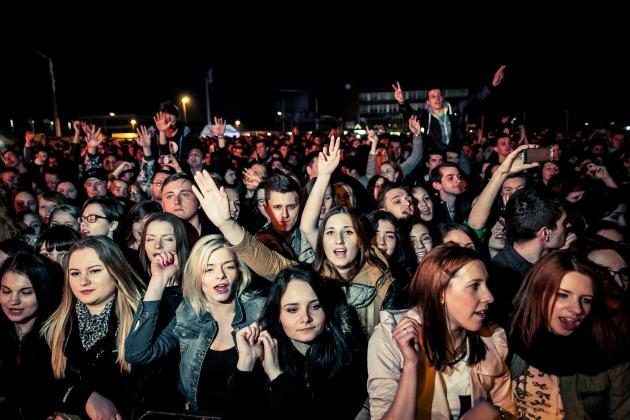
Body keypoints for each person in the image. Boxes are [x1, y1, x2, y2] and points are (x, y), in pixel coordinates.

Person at [368, 243, 516, 419]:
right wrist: (410, 365)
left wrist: (493, 413)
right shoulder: (391, 337)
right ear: (441, 291)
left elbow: (507, 410)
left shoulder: (491, 338)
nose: (489, 297)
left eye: (487, 285)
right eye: (475, 286)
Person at [125, 234, 265, 416]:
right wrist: (157, 281)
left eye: (229, 267)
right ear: (196, 275)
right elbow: (137, 354)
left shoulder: (260, 311)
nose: (220, 276)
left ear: (239, 271)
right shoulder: (188, 315)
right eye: (209, 269)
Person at [228, 266, 368, 419]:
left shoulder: (348, 354)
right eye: (292, 310)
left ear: (326, 310)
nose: (306, 318)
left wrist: (276, 375)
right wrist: (246, 362)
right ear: (278, 315)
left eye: (315, 306)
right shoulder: (264, 351)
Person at [508, 251, 630, 419]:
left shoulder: (610, 353)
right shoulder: (506, 340)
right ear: (537, 292)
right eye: (563, 295)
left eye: (586, 300)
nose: (577, 309)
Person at [41, 236, 144, 419]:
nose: (84, 281)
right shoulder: (55, 324)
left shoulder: (141, 320)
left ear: (116, 271)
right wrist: (83, 397)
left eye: (94, 271)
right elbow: (37, 387)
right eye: (75, 273)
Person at [0, 254, 63, 419]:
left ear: (43, 291)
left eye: (26, 292)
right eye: (6, 291)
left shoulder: (59, 336)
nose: (13, 300)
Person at [393, 65, 506, 152]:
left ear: (443, 97)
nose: (437, 99)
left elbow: (476, 99)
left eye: (439, 95)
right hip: (436, 155)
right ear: (428, 102)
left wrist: (492, 85)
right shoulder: (425, 117)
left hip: (456, 153)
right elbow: (410, 116)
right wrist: (402, 102)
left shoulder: (457, 109)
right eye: (433, 97)